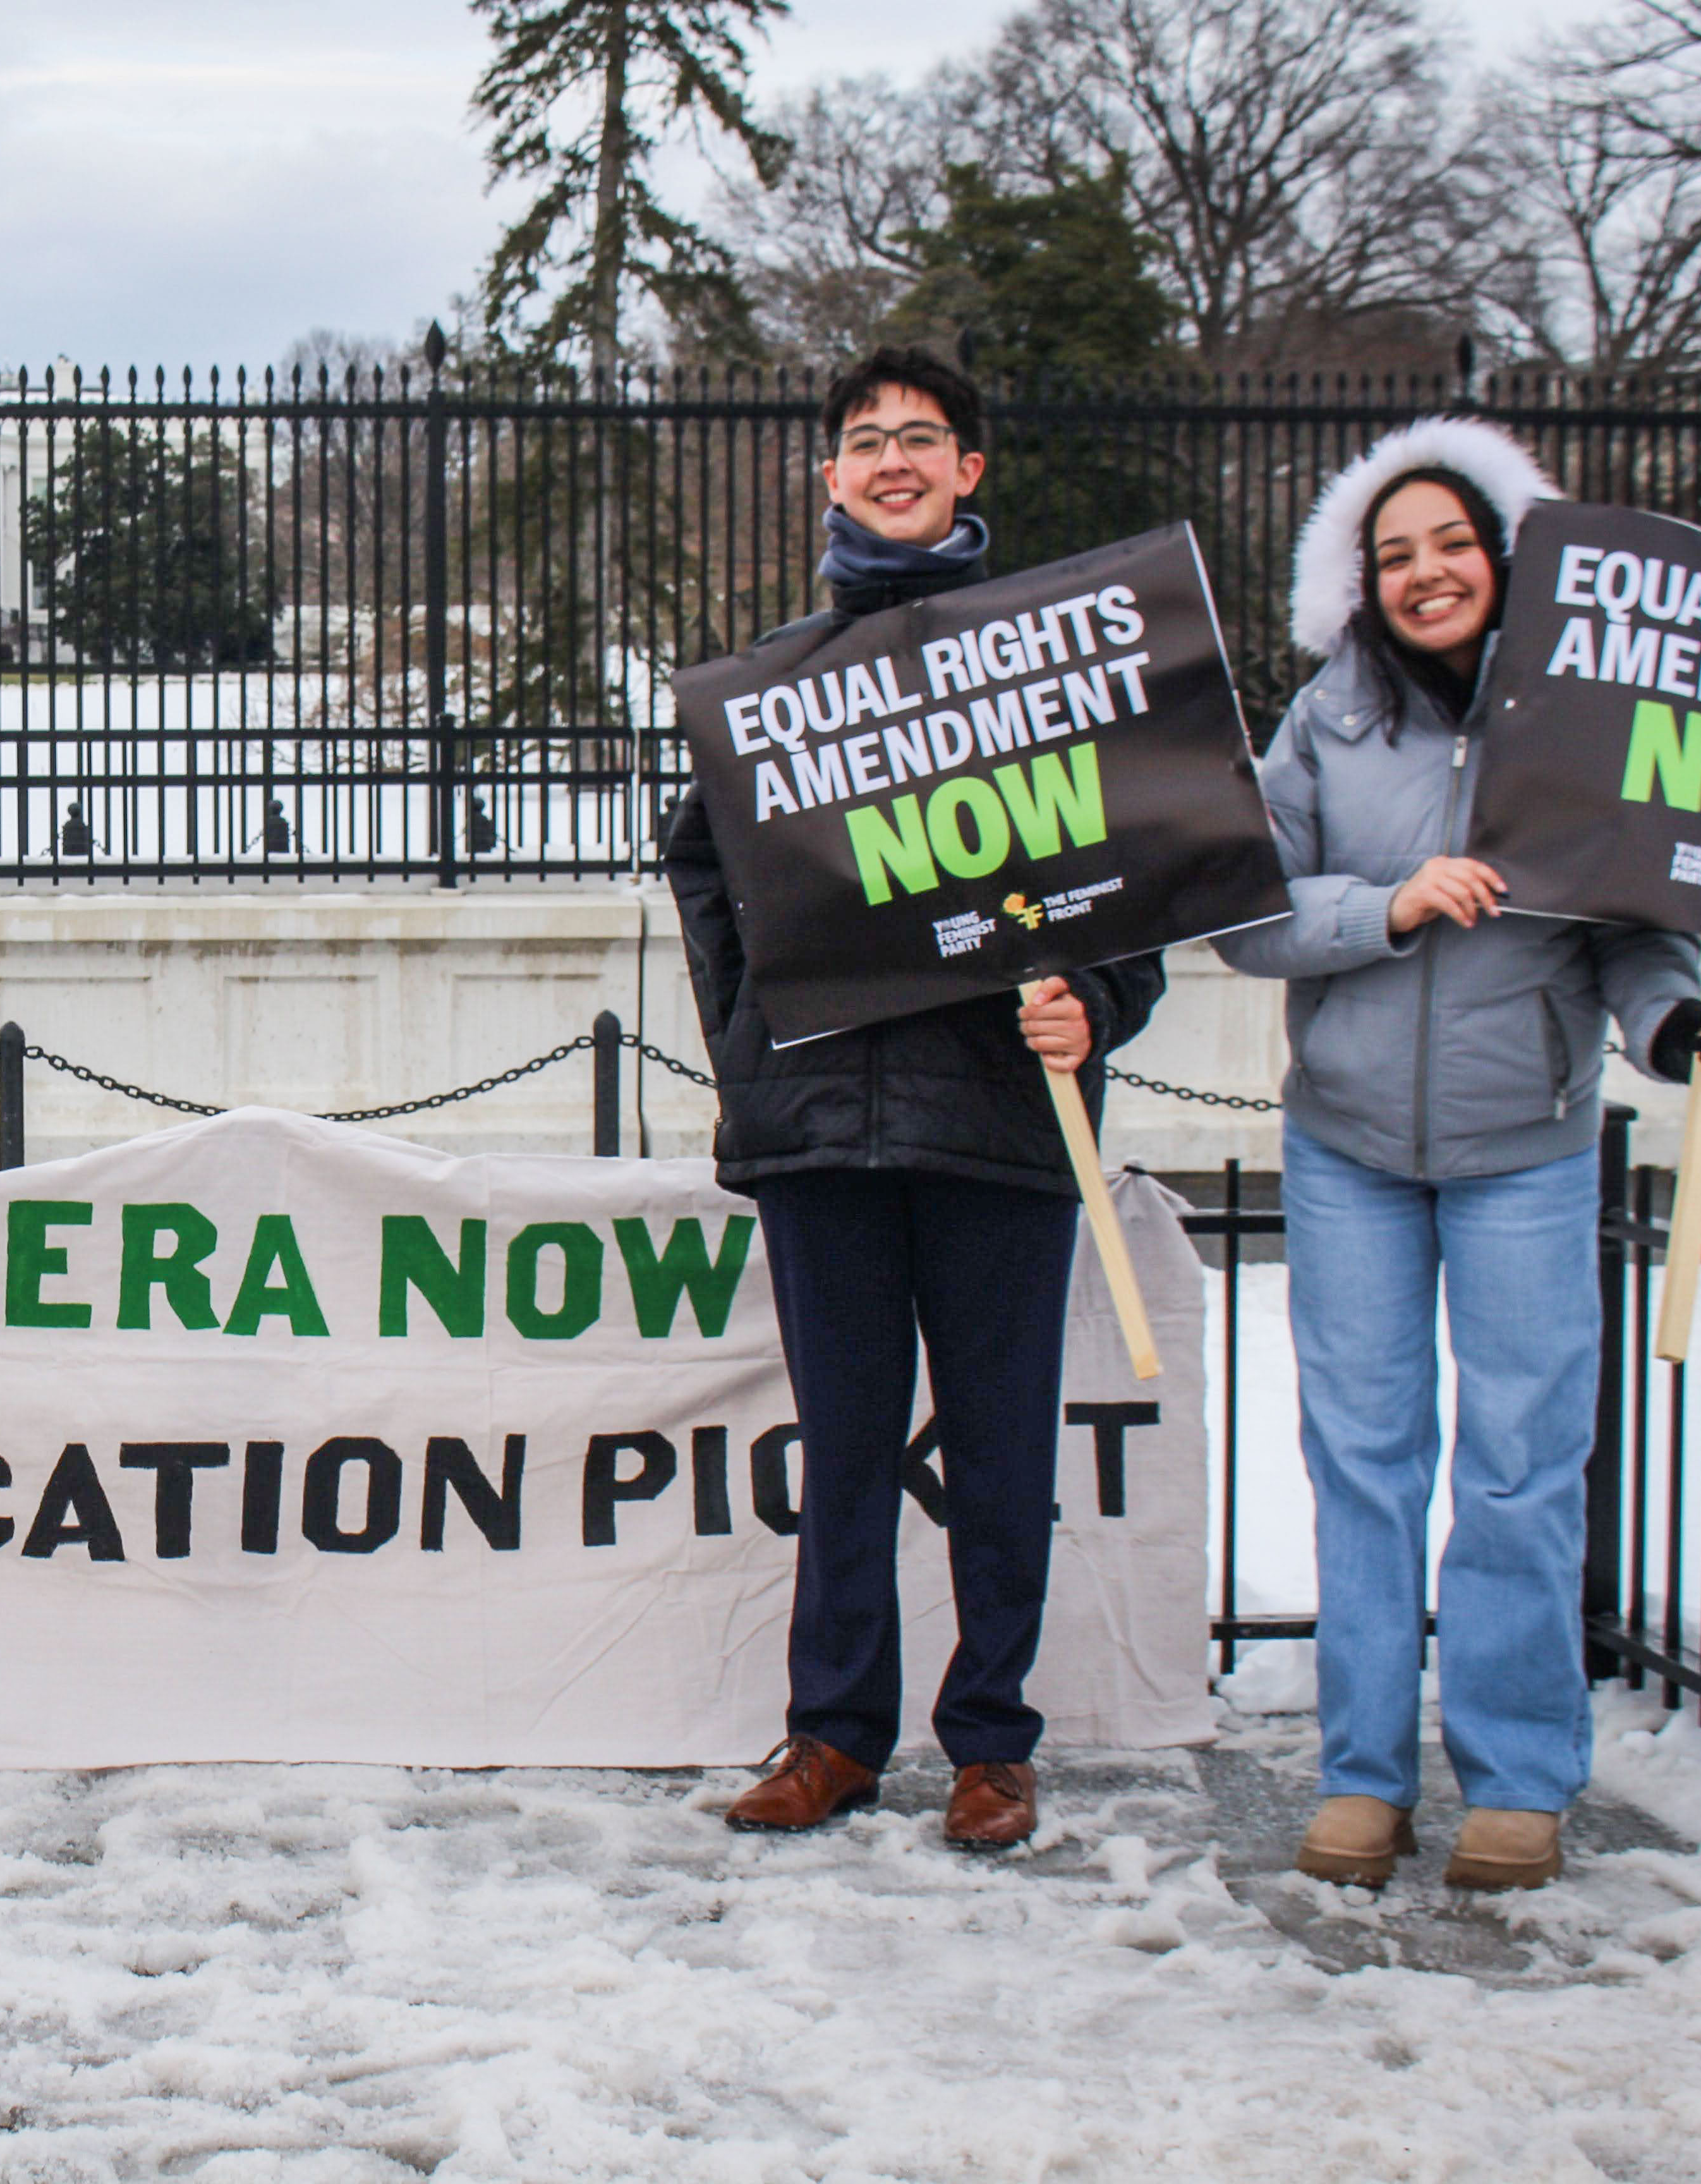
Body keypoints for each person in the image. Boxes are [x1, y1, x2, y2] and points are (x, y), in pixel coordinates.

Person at [1214, 420, 1701, 1891]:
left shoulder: (1579, 724)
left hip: (1528, 1143)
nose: (1424, 571)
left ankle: (1516, 1773)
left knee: (1520, 1460)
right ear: (1358, 584)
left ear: (1503, 557)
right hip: (1348, 1144)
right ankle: (1363, 1772)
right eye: (1393, 554)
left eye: (1449, 543)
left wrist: (1676, 1021)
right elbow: (1243, 906)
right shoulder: (1324, 721)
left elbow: (1631, 928)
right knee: (1364, 1461)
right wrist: (1384, 904)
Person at [662, 346, 1163, 1852]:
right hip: (823, 1131)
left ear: (967, 470)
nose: (891, 460)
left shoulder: (1043, 668)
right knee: (845, 1451)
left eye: (919, 438)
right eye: (865, 440)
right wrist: (755, 1024)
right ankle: (833, 1732)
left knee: (1002, 1452)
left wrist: (1103, 1002)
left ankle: (990, 1740)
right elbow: (704, 868)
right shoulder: (772, 684)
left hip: (1001, 1126)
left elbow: (1126, 873)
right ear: (827, 475)